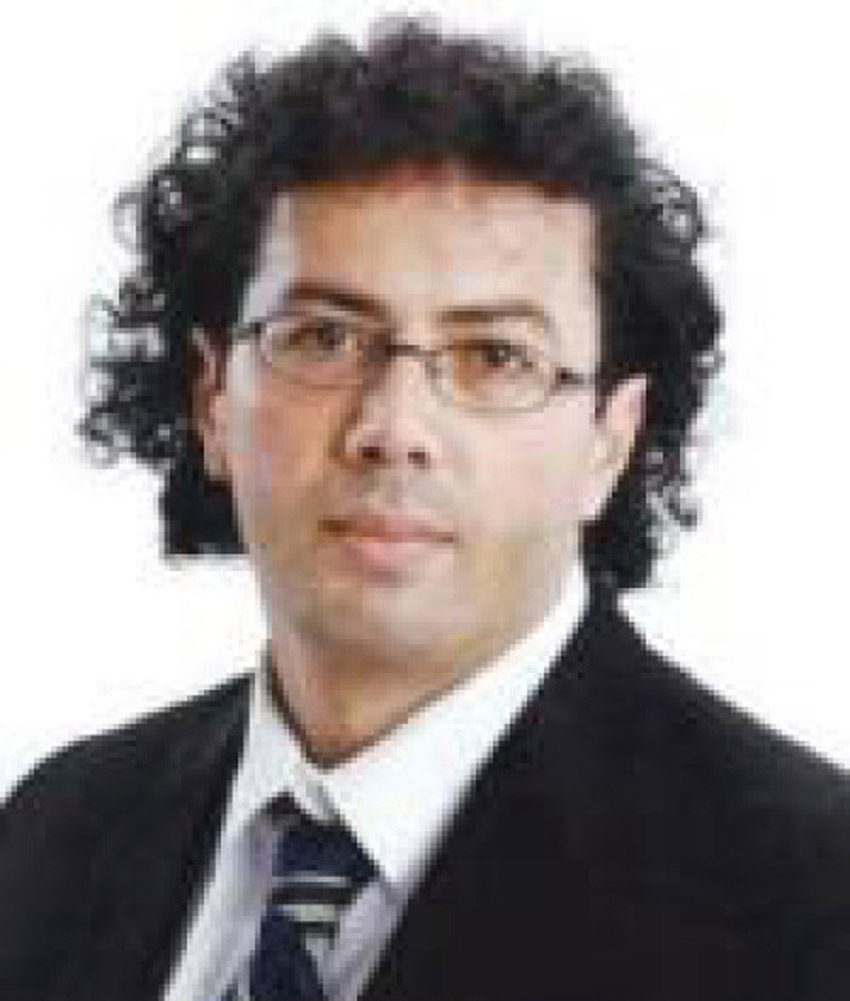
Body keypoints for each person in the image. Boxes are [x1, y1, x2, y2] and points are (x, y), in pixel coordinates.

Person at [2, 17, 849, 1001]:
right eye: (322, 337)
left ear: (609, 441)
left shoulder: (805, 897)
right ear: (211, 400)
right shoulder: (54, 832)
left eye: (496, 356)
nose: (394, 427)